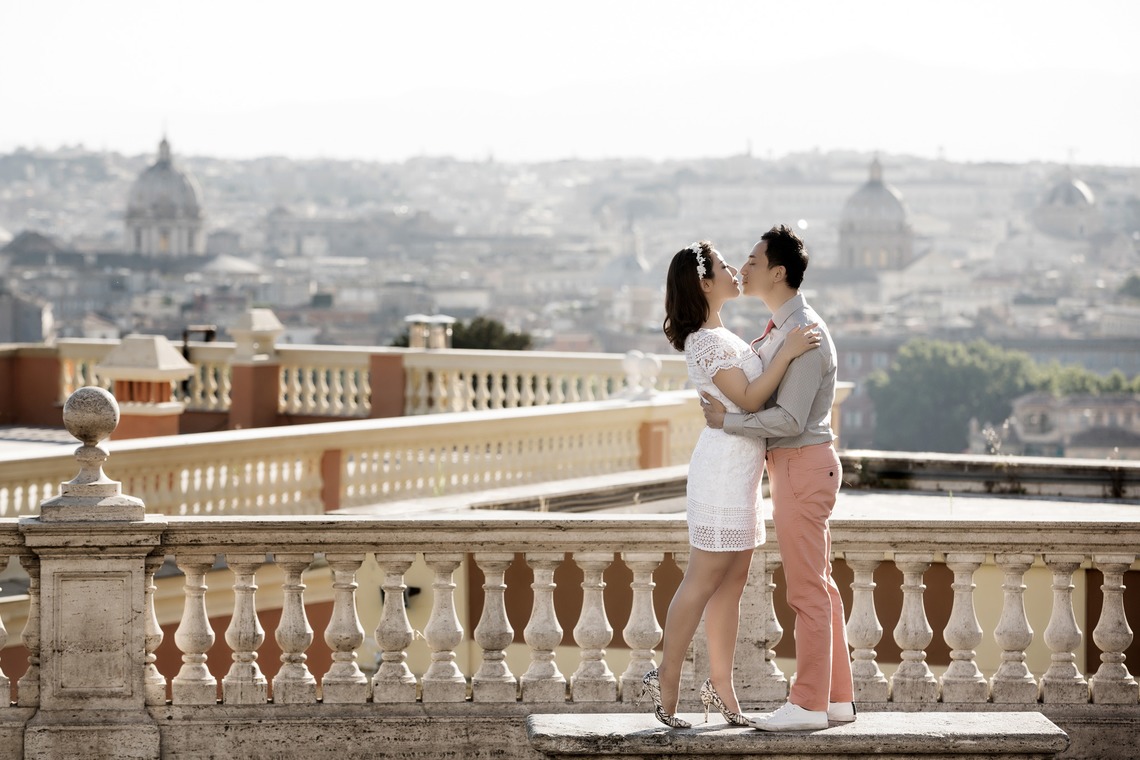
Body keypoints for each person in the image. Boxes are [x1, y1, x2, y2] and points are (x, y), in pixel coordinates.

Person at [642, 240, 820, 729]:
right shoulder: (705, 341)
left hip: (742, 470)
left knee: (734, 583)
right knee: (703, 579)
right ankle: (666, 676)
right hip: (721, 470)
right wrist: (787, 353)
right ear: (705, 283)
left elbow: (745, 400)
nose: (734, 270)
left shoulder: (724, 336)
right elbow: (749, 397)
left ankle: (721, 688)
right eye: (723, 265)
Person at [700, 224, 855, 732]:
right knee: (820, 587)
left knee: (806, 592)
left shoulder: (803, 333)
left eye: (752, 261)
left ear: (778, 272)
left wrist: (728, 422)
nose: (742, 268)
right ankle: (836, 700)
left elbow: (789, 419)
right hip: (798, 466)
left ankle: (808, 704)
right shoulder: (782, 330)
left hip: (800, 463)